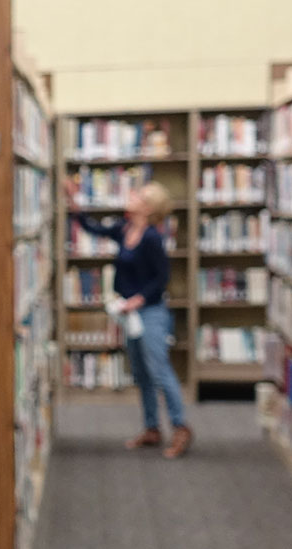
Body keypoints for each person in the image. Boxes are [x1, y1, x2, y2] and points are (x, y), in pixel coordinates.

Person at [64, 177, 192, 458]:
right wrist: (74, 202)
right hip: (129, 314)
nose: (131, 196)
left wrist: (138, 299)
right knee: (141, 372)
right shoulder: (124, 229)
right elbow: (92, 229)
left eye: (139, 195)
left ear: (148, 208)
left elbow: (162, 278)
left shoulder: (152, 238)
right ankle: (151, 427)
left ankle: (181, 426)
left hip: (151, 312)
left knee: (159, 369)